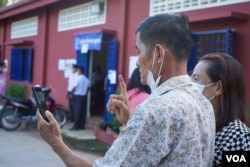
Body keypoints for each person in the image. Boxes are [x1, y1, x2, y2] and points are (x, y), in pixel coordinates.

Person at [36, 13, 215, 166]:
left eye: (139, 51)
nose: (137, 62)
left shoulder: (154, 110)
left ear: (159, 54)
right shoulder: (203, 103)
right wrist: (131, 121)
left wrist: (54, 141)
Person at [191, 52, 250, 167]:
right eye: (191, 76)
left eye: (196, 78)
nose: (189, 83)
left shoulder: (238, 138)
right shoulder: (198, 125)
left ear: (218, 87)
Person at [70, 65, 90, 130]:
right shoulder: (86, 79)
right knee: (83, 112)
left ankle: (76, 126)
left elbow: (74, 87)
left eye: (78, 70)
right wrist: (84, 91)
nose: (77, 71)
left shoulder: (78, 78)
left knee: (77, 112)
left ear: (80, 71)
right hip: (84, 96)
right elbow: (89, 88)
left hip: (78, 96)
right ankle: (82, 125)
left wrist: (71, 94)